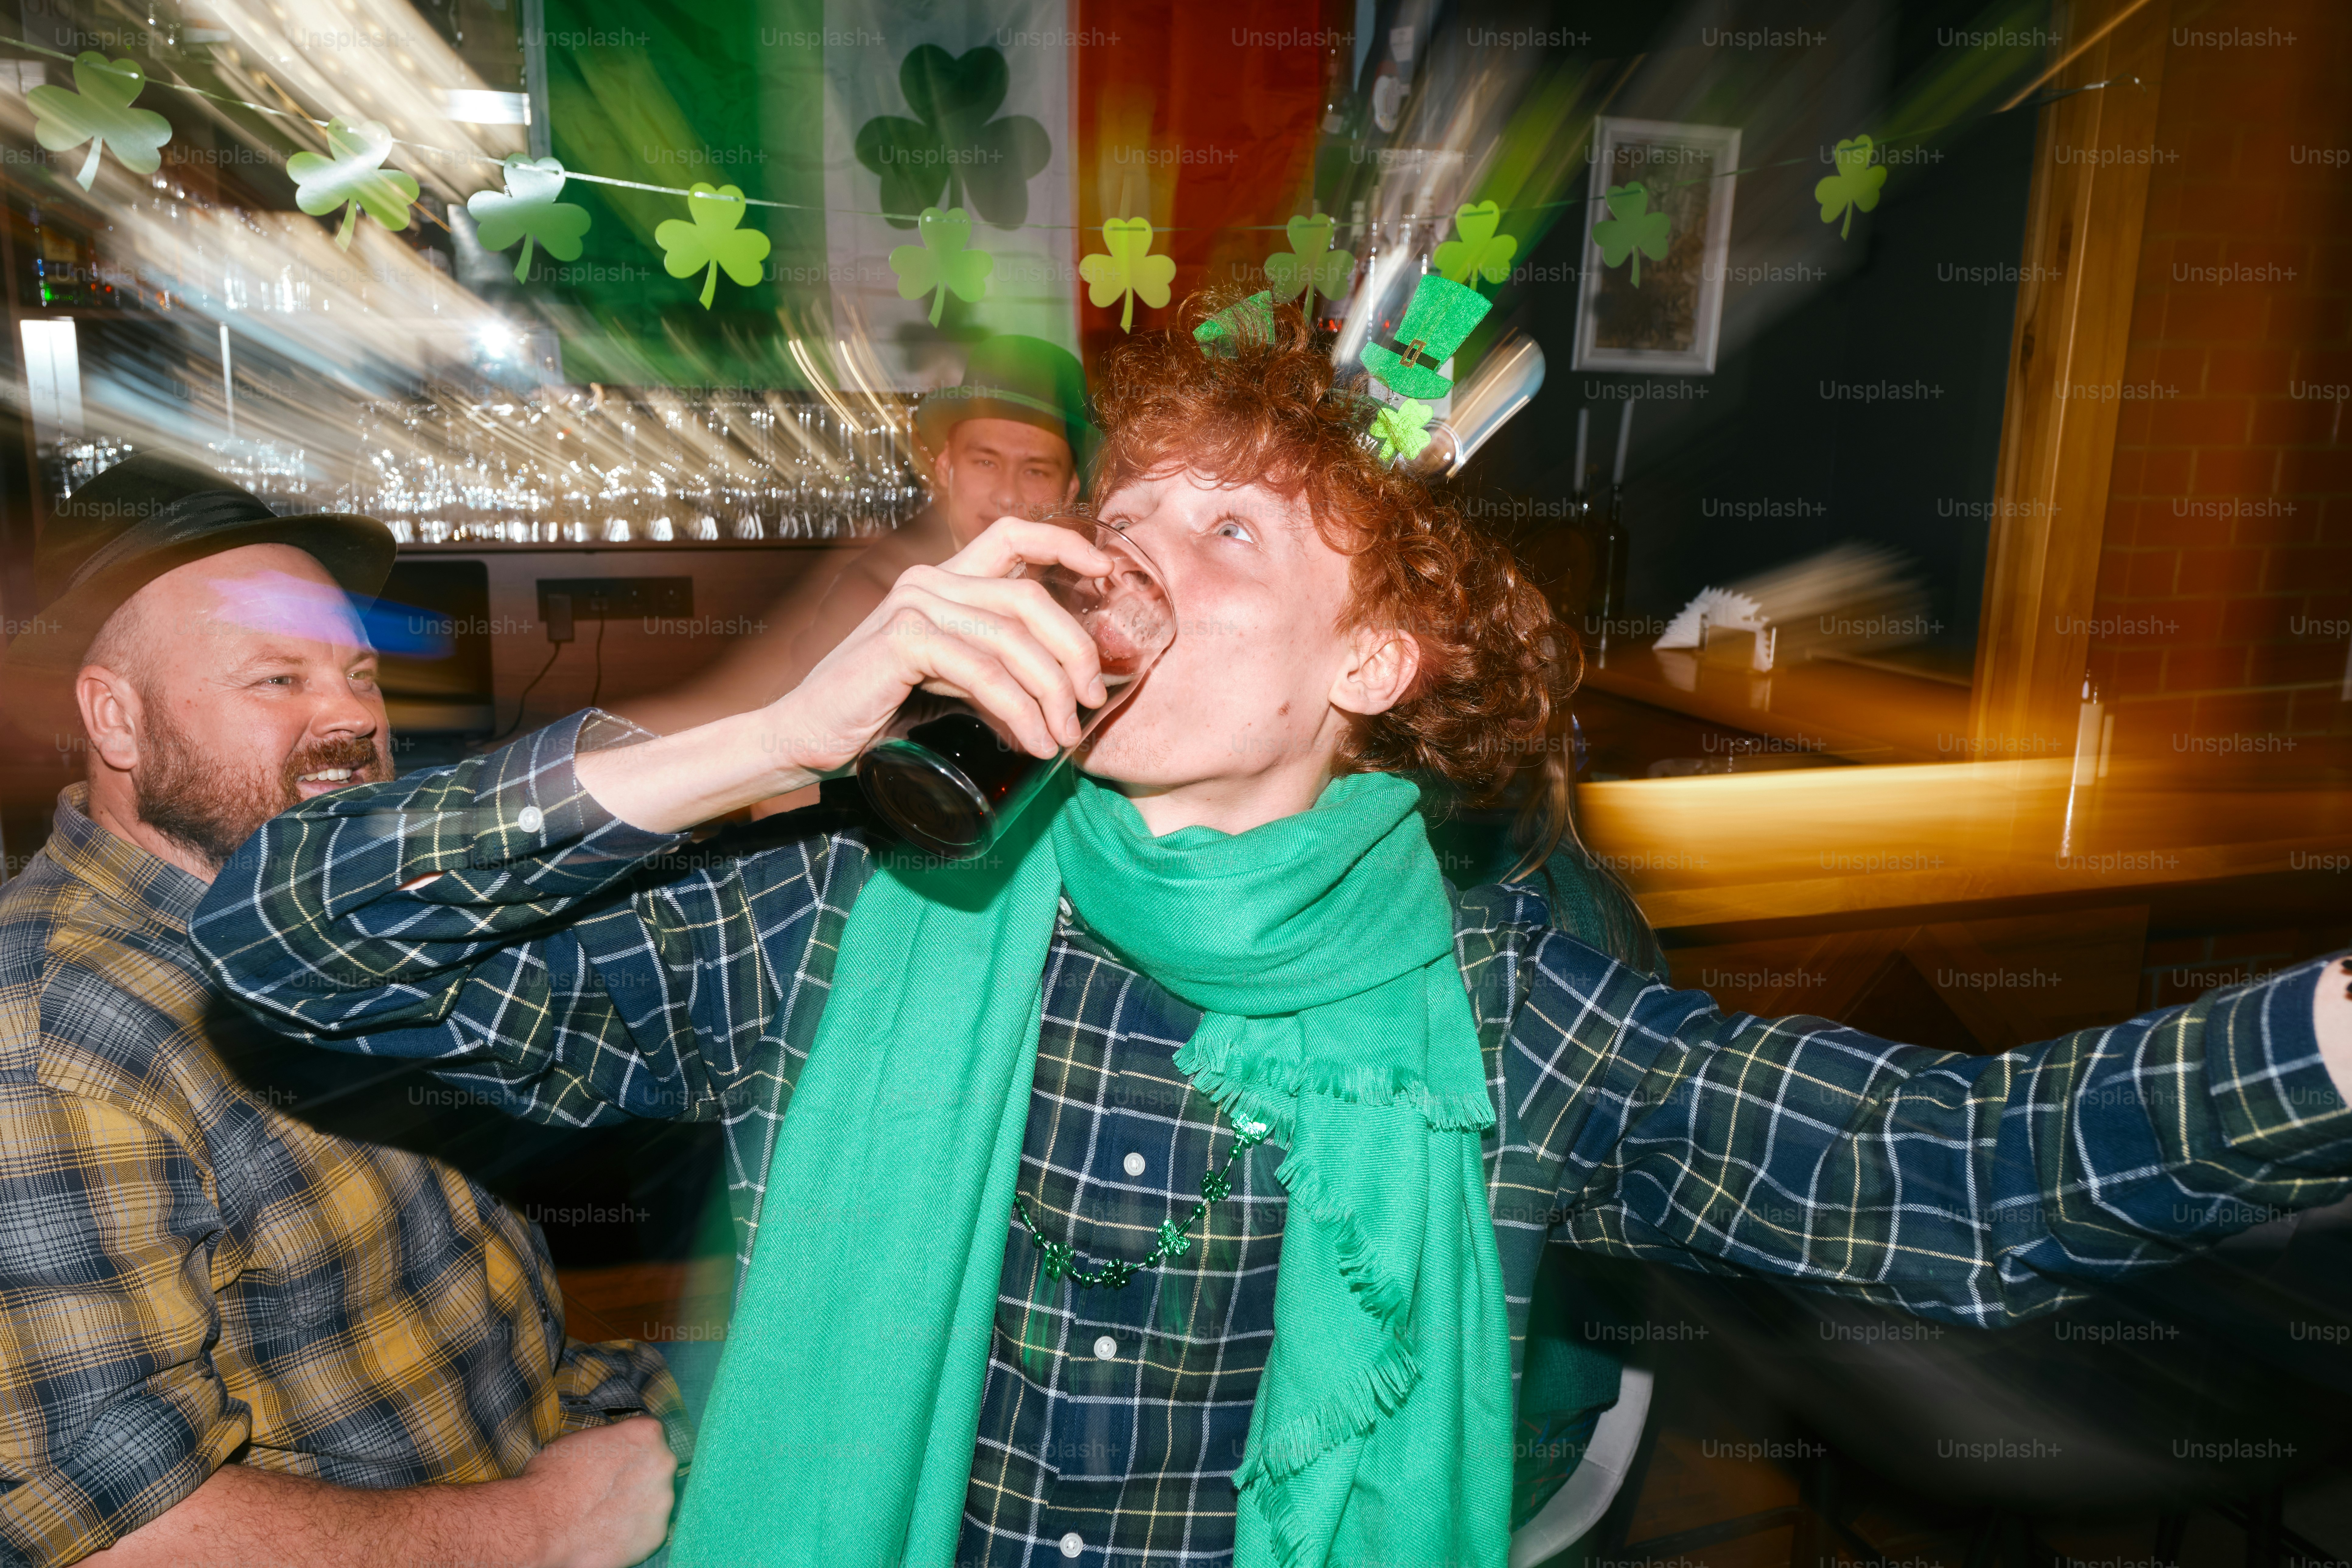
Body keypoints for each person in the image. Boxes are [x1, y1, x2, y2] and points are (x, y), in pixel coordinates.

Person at [191, 300, 2352, 1568]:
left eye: (1230, 533)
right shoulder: (847, 904)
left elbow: (1943, 1180)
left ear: (1375, 662)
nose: (1132, 565)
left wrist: (2332, 1034)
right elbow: (291, 949)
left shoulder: (1505, 1008)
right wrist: (751, 736)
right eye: (1117, 522)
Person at [0, 455, 678, 1568]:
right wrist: (545, 1529)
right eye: (278, 682)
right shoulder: (56, 1039)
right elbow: (114, 1535)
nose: (350, 722)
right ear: (115, 722)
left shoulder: (334, 909)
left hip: (578, 1436)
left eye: (359, 676)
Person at [611, 334, 1096, 768]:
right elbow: (782, 771)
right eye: (985, 461)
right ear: (947, 468)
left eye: (1035, 470)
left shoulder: (1092, 606)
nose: (1007, 495)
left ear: (1070, 487)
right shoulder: (877, 594)